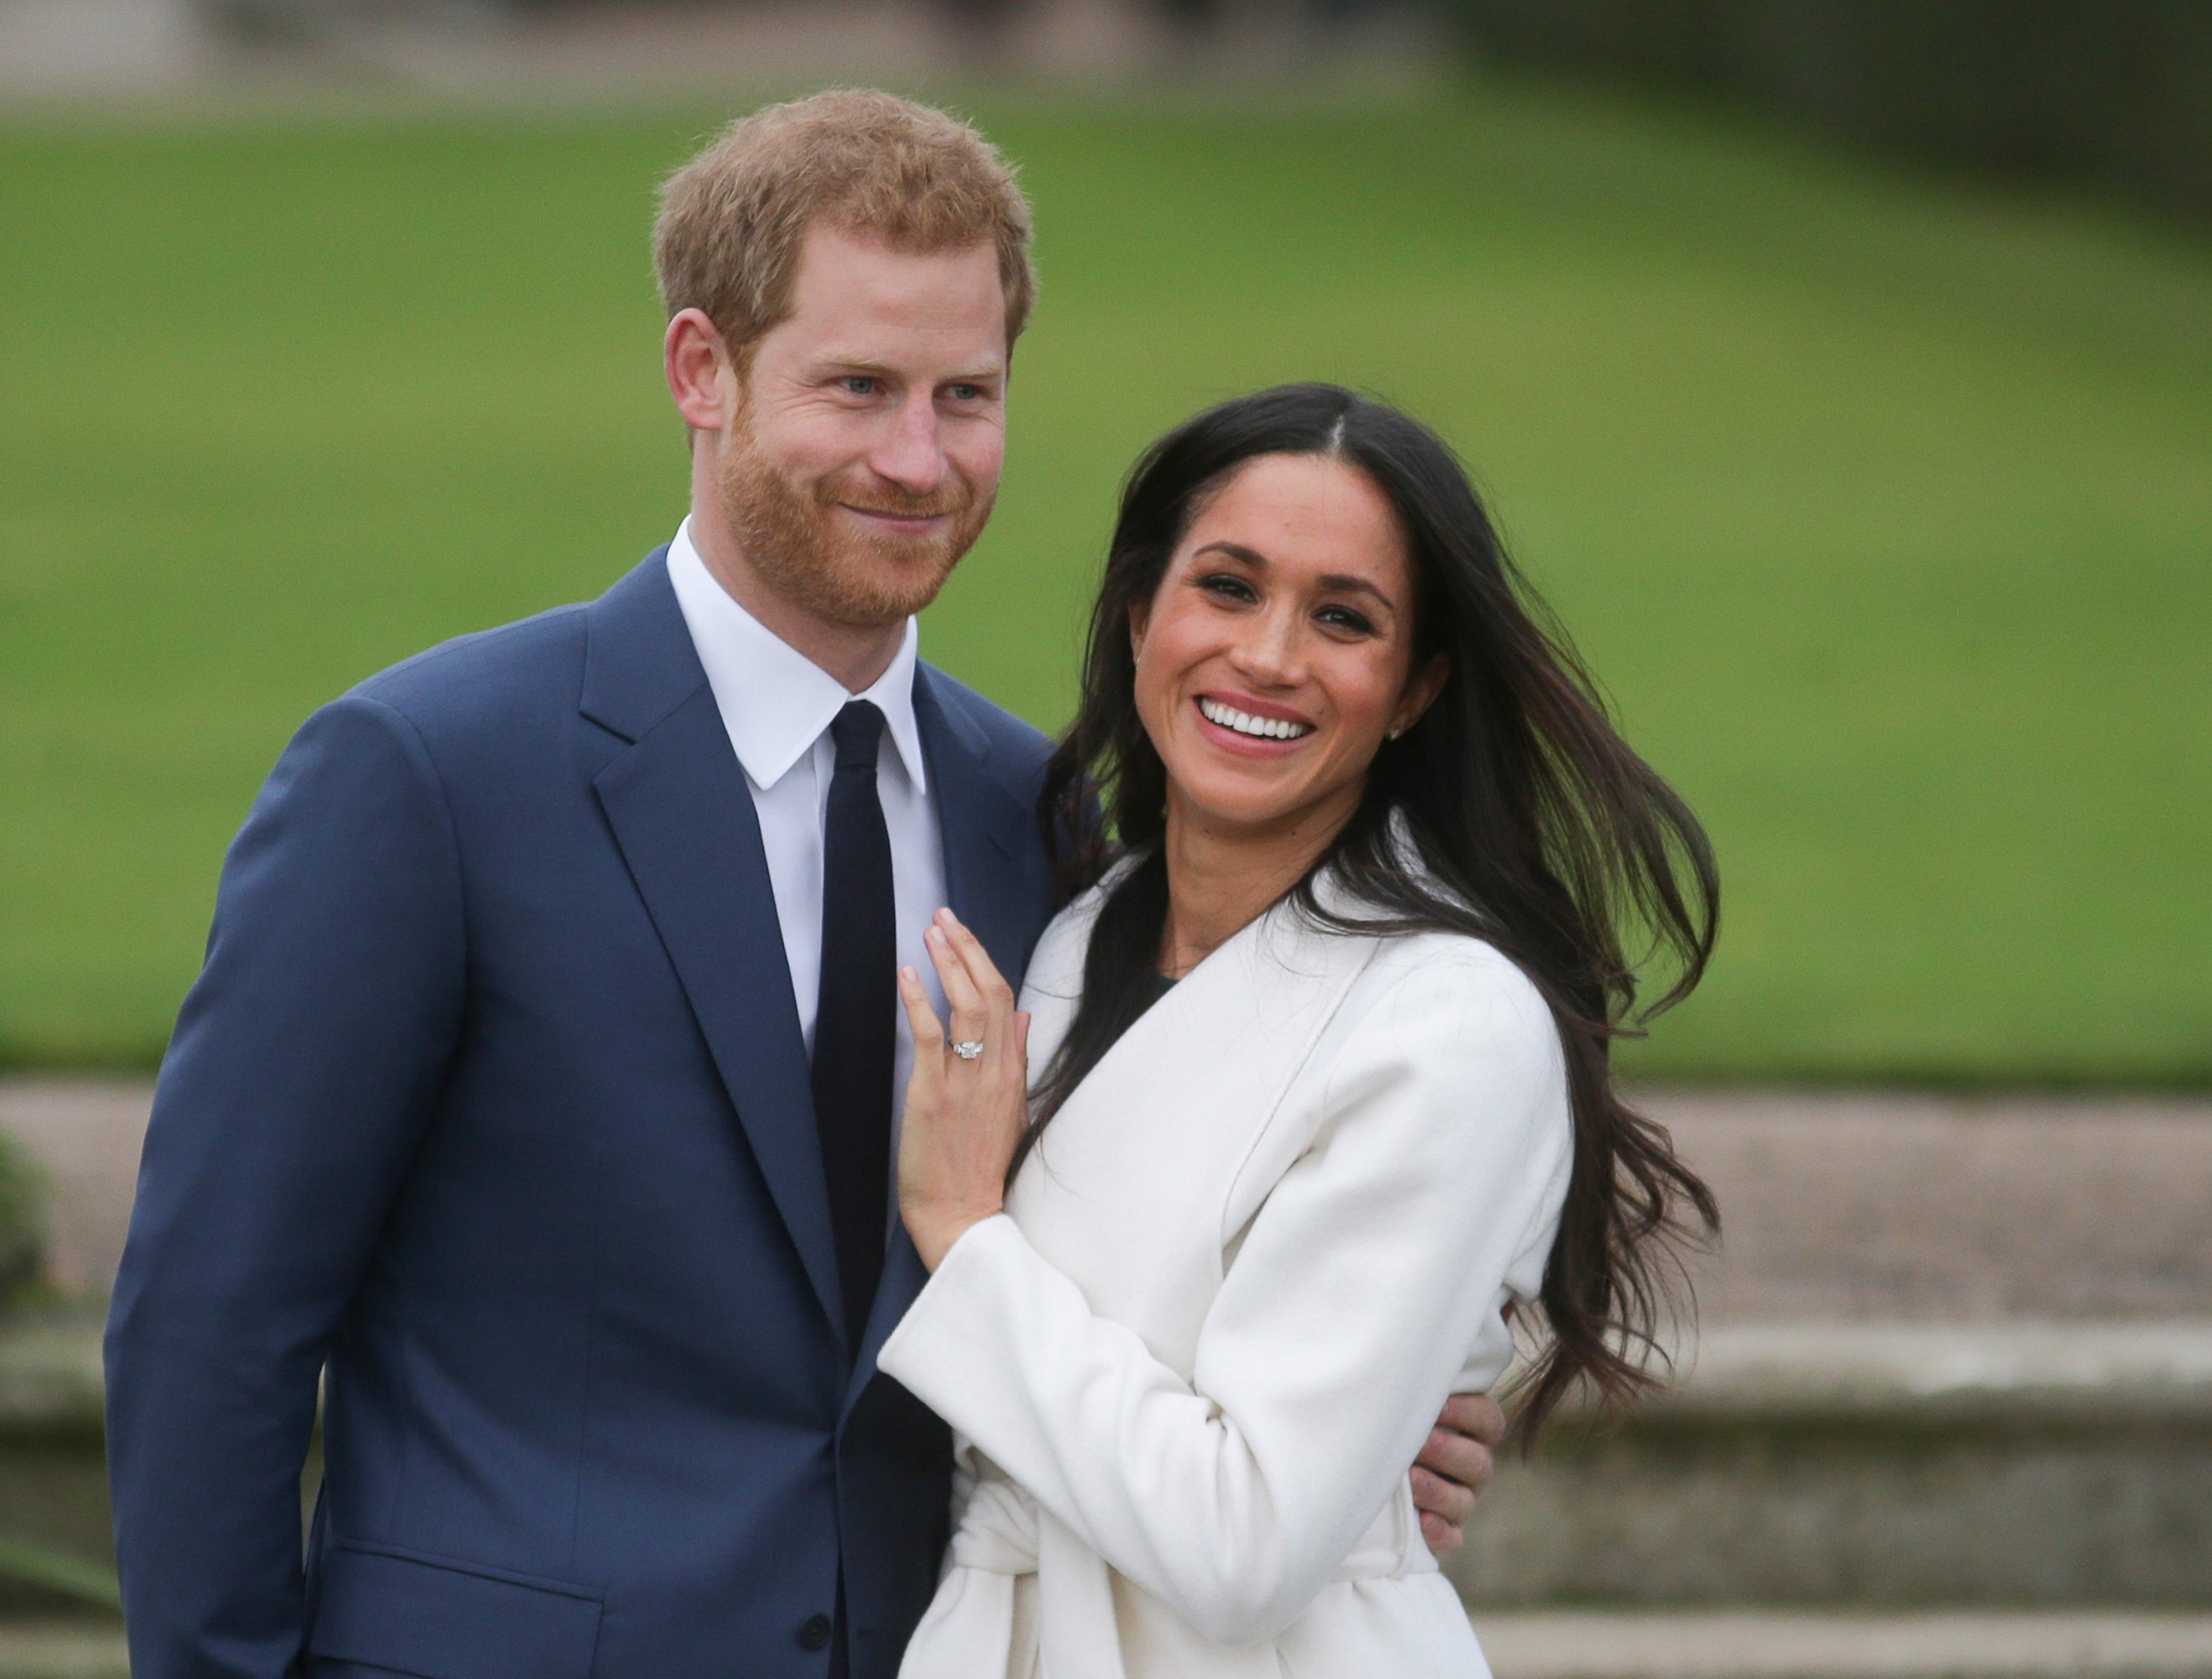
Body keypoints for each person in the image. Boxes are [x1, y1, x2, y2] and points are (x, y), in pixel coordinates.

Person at [102, 93, 1498, 1679]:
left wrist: (1359, 1421)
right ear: (702, 370)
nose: (918, 459)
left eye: (966, 396)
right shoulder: (427, 778)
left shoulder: (1044, 820)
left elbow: (1121, 1242)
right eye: (859, 388)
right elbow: (212, 1325)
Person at [865, 383, 1721, 1676]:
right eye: (1227, 587)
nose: (1269, 657)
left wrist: (964, 1235)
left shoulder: (1447, 1023)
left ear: (1416, 687)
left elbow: (1247, 1544)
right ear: (1142, 613)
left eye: (1343, 618)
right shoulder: (1069, 934)